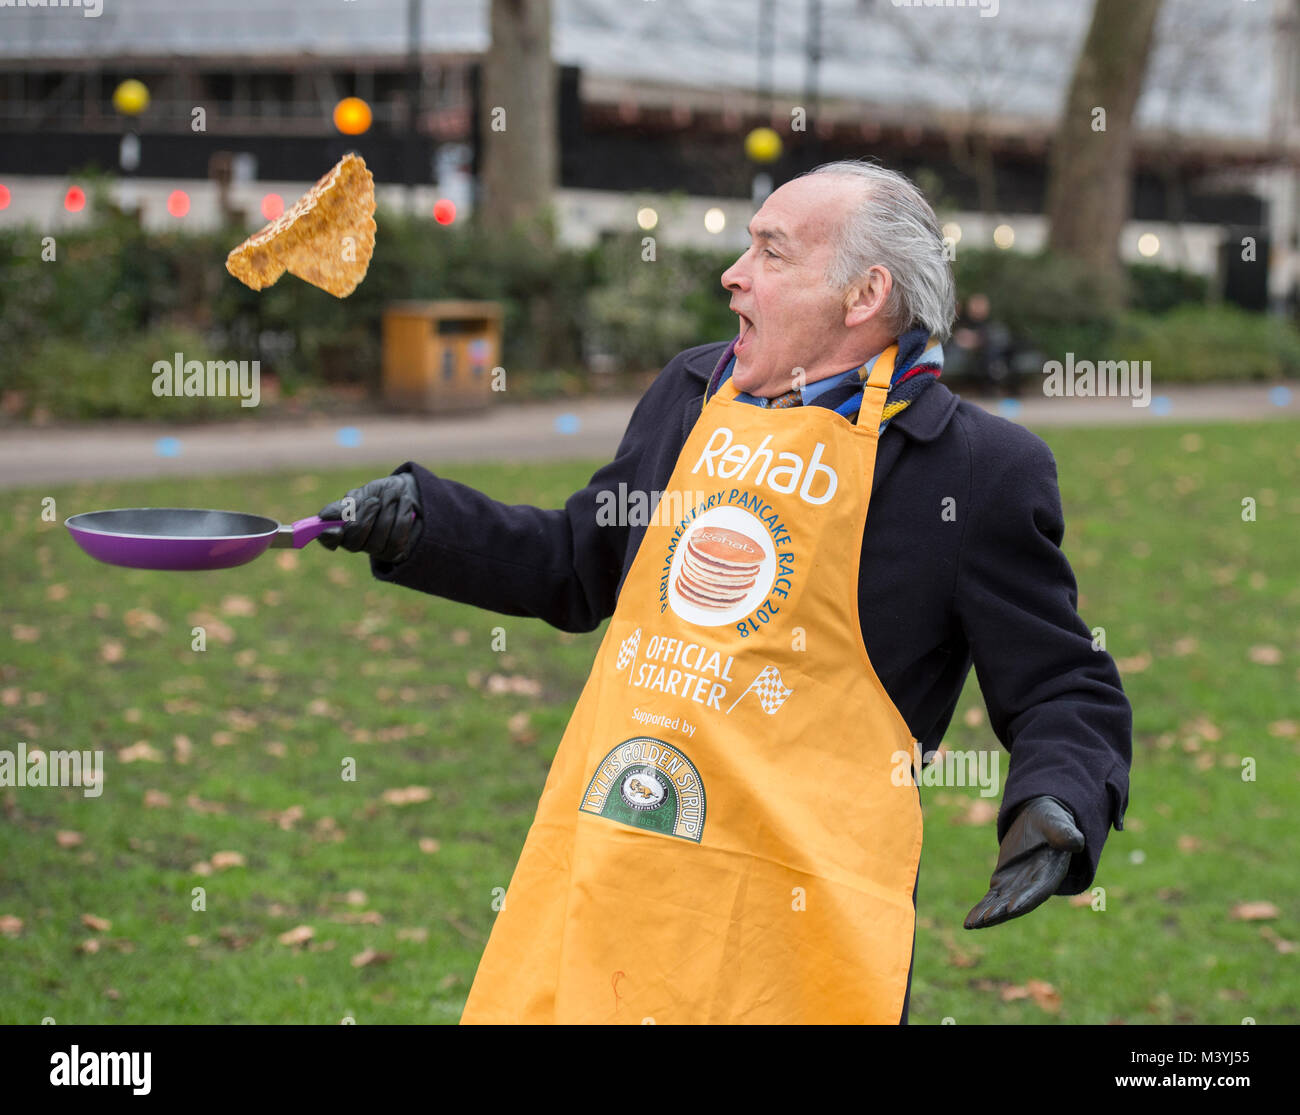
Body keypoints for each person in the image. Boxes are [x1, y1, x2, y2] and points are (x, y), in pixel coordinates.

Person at [317, 159, 1132, 1024]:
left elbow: (1060, 679)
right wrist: (422, 522)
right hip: (619, 871)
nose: (732, 274)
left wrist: (1058, 799)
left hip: (799, 931)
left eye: (770, 254)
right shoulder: (692, 391)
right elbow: (577, 560)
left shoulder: (976, 470)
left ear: (864, 295)